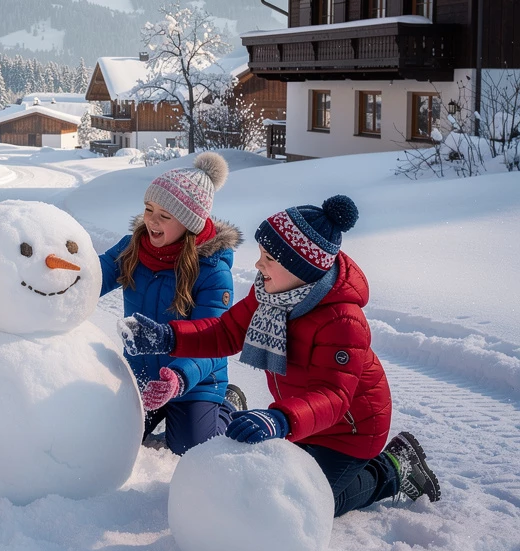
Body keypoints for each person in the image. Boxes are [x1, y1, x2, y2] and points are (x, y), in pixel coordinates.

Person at [119, 195, 440, 516]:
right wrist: (168, 336)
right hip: (300, 417)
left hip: (350, 430)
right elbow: (225, 332)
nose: (258, 265)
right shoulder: (270, 293)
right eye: (261, 254)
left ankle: (394, 467)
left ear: (300, 267)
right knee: (271, 487)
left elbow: (333, 396)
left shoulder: (343, 321)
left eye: (269, 258)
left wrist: (281, 420)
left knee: (312, 504)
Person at [100, 152, 245, 455]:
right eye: (149, 209)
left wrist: (179, 378)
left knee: (190, 447)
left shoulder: (213, 271)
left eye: (164, 216)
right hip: (141, 374)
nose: (151, 220)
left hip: (195, 380)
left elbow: (212, 338)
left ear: (190, 224)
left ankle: (229, 406)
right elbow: (93, 276)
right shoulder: (132, 248)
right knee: (115, 434)